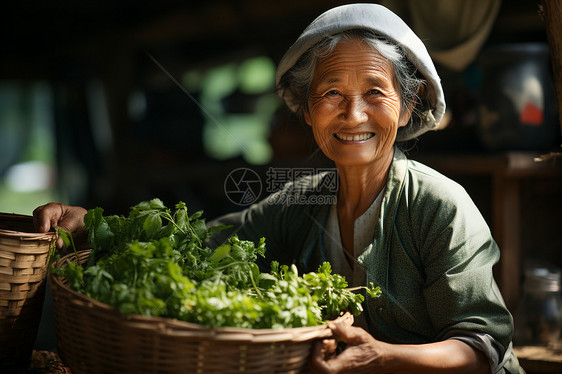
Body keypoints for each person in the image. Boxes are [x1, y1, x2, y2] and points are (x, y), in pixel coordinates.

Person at [34, 4, 524, 373]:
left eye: (375, 91)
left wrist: (383, 356)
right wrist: (96, 229)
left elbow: (480, 345)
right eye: (332, 93)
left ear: (405, 106)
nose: (353, 115)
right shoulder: (299, 202)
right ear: (307, 111)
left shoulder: (438, 205)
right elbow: (197, 246)